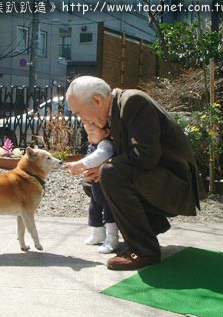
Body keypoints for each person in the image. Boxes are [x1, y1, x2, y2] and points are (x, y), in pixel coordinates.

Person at [66, 76, 203, 270]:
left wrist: (104, 166)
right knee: (93, 182)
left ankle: (144, 251)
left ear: (97, 100)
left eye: (79, 113)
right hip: (159, 180)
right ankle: (149, 228)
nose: (82, 120)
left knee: (110, 174)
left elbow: (146, 155)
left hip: (177, 187)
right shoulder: (115, 111)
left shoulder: (133, 102)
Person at [63, 123, 119, 254]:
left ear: (106, 133)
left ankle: (112, 238)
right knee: (94, 209)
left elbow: (98, 156)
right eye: (87, 133)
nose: (89, 136)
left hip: (107, 187)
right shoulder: (93, 145)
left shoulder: (106, 145)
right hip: (96, 185)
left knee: (108, 212)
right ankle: (98, 231)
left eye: (92, 132)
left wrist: (79, 164)